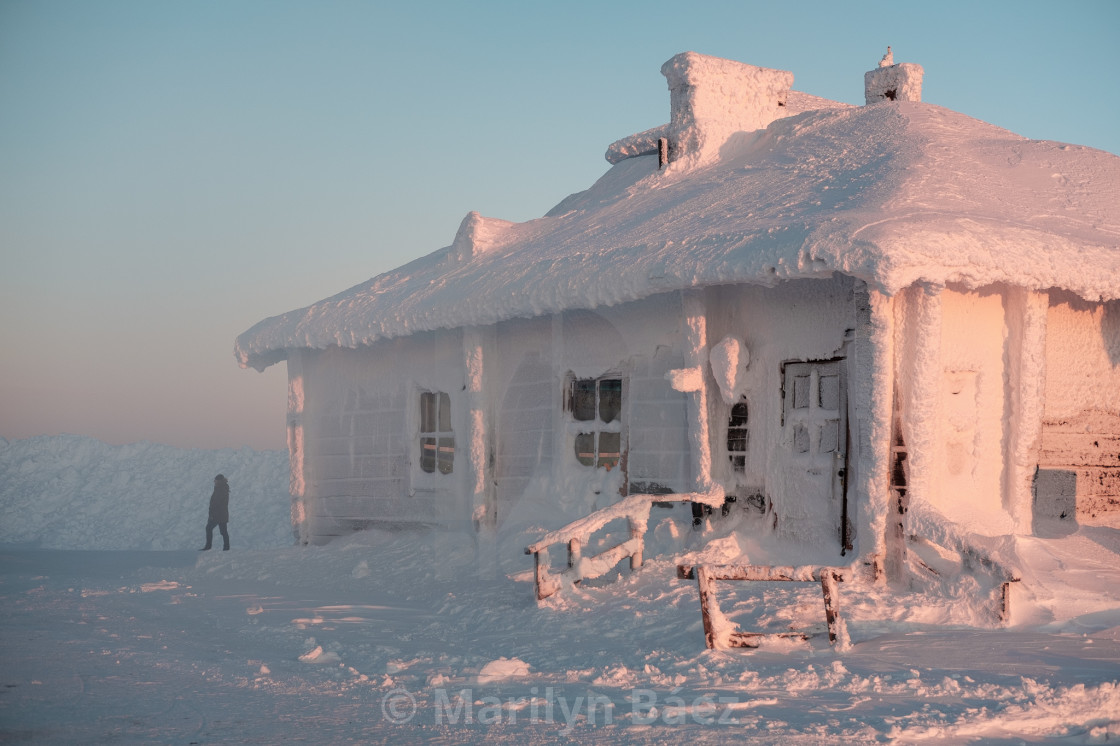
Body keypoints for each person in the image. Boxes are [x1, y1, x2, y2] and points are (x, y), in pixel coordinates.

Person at [201, 474, 230, 551]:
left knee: (209, 528)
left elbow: (216, 503)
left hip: (218, 515)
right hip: (222, 514)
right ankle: (226, 547)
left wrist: (212, 514)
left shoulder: (220, 489)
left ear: (219, 481)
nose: (214, 481)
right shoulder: (221, 488)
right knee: (223, 531)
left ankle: (208, 546)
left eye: (215, 480)